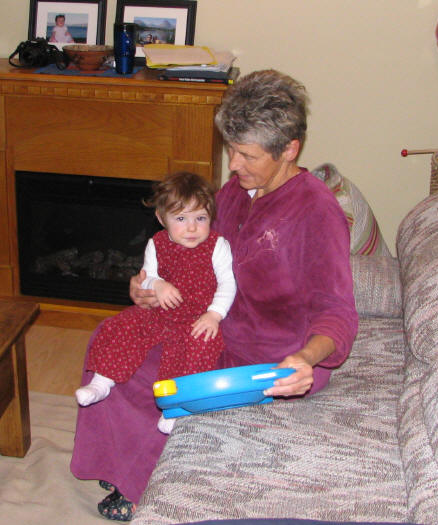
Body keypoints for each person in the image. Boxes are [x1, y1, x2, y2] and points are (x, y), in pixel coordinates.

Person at [71, 69, 358, 522]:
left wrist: (305, 359)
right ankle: (118, 460)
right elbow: (193, 252)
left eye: (247, 154)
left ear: (289, 150)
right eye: (231, 149)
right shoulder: (237, 192)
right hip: (210, 326)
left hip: (268, 360)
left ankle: (144, 484)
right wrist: (146, 285)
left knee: (168, 385)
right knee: (111, 340)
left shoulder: (316, 212)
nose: (233, 164)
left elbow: (338, 310)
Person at [74, 172, 236, 435]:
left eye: (201, 218)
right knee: (123, 324)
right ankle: (102, 381)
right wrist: (157, 284)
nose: (192, 228)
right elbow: (147, 276)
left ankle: (176, 407)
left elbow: (228, 283)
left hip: (197, 318)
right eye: (181, 219)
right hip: (161, 313)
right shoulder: (156, 243)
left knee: (198, 349)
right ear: (162, 219)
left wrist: (214, 315)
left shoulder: (217, 246)